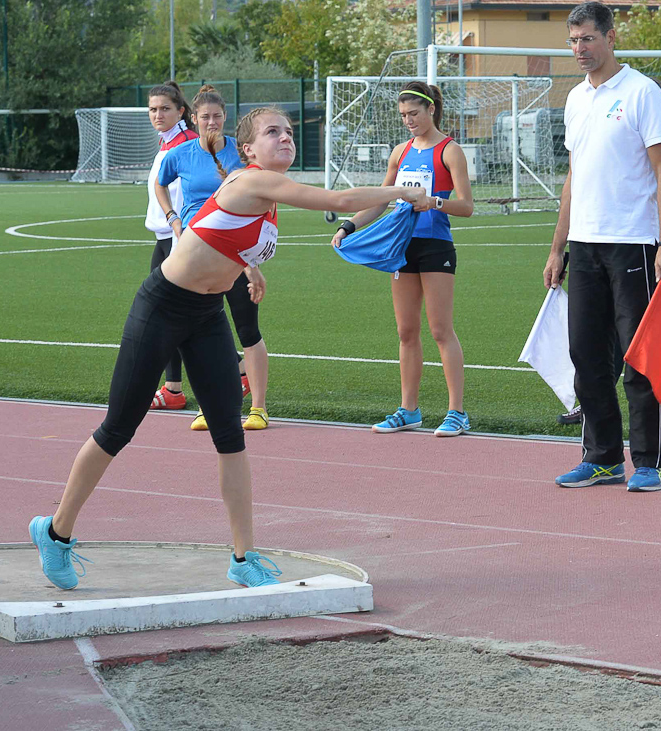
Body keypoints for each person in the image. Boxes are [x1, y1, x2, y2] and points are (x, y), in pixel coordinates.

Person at [29, 107, 426, 591]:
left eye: (289, 132)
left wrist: (249, 268)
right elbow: (339, 199)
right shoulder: (253, 181)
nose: (285, 137)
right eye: (273, 132)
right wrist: (400, 191)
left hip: (207, 315)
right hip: (162, 306)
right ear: (248, 149)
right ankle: (56, 532)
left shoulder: (264, 194)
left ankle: (243, 557)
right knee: (118, 427)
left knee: (230, 435)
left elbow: (216, 231)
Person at [543, 2, 661, 492]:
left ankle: (650, 461)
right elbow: (573, 178)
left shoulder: (642, 92)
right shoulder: (575, 98)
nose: (579, 49)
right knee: (585, 356)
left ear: (610, 36)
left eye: (587, 38)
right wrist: (557, 248)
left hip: (635, 245)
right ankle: (602, 457)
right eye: (573, 41)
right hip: (584, 246)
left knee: (639, 359)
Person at [555, 77, 661, 424]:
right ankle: (592, 405)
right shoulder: (618, 140)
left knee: (653, 331)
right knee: (603, 334)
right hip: (618, 246)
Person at [331, 81, 475, 437]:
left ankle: (457, 412)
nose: (408, 120)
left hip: (435, 246)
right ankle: (408, 410)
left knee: (440, 330)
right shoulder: (400, 152)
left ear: (431, 110)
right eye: (403, 115)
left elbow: (467, 206)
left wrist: (434, 202)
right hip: (402, 247)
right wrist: (349, 226)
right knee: (406, 331)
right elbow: (382, 200)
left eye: (414, 113)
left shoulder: (450, 150)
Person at [154, 85, 266, 431]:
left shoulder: (240, 153)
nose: (212, 122)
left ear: (225, 117)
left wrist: (252, 259)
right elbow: (160, 184)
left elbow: (259, 192)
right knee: (201, 332)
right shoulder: (180, 154)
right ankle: (208, 407)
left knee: (247, 329)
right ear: (194, 118)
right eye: (205, 117)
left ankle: (259, 409)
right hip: (196, 254)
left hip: (236, 253)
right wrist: (173, 219)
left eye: (217, 116)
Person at [143, 82, 199, 411]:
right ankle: (173, 388)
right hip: (164, 240)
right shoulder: (166, 143)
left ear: (181, 111)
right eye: (152, 109)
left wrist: (182, 230)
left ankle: (237, 368)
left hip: (180, 240)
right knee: (166, 313)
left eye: (165, 108)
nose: (157, 115)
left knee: (180, 314)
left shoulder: (188, 143)